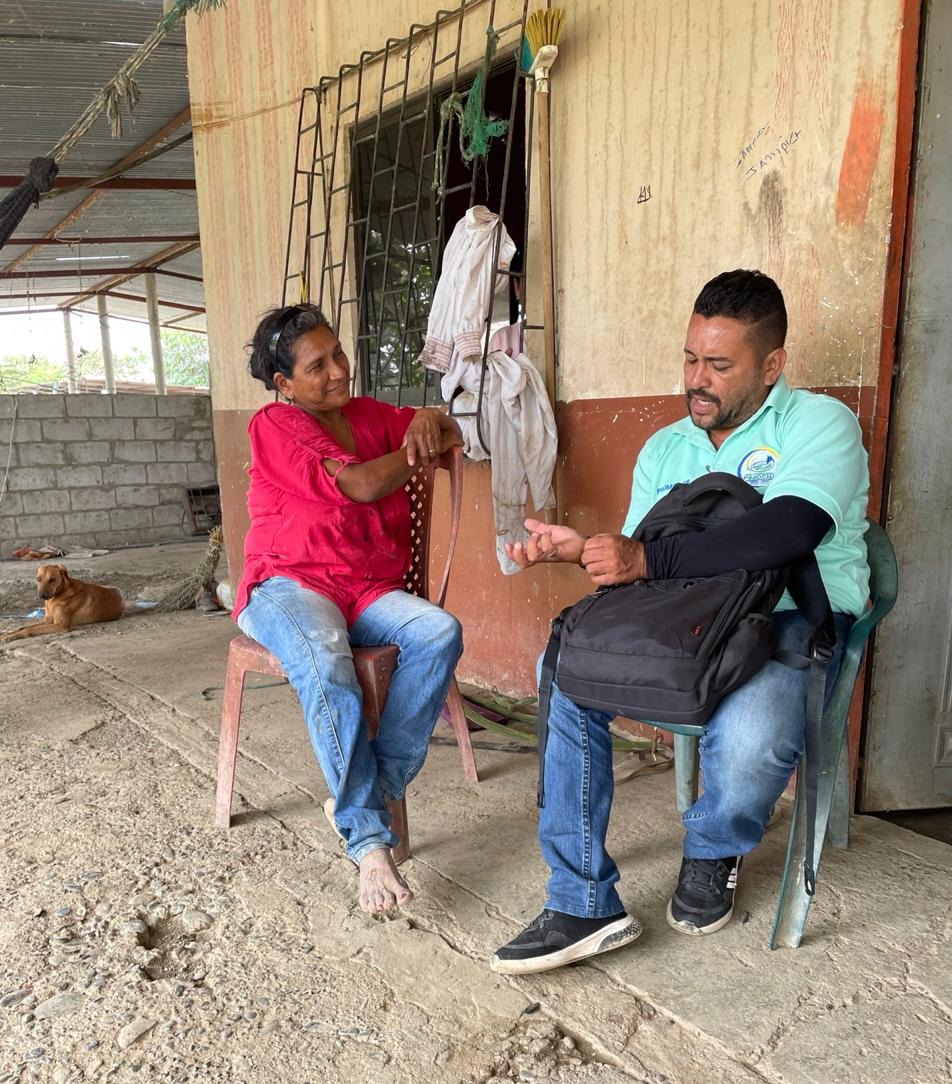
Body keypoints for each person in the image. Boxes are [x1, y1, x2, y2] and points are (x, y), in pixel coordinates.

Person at [491, 270, 869, 975]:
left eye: (719, 365)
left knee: (751, 736)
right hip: (686, 618)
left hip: (789, 618)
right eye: (691, 358)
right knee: (561, 667)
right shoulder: (668, 446)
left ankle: (713, 847)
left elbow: (789, 529)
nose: (697, 379)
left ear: (772, 365)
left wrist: (646, 559)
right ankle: (581, 899)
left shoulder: (819, 424)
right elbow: (644, 561)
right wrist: (587, 551)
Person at [235, 303, 464, 914]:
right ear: (284, 383)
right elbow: (360, 485)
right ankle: (368, 842)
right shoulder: (274, 425)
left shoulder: (368, 415)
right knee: (325, 655)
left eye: (337, 353)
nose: (339, 370)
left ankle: (365, 791)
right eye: (317, 366)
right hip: (289, 583)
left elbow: (448, 430)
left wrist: (428, 416)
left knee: (438, 632)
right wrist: (419, 445)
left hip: (362, 589)